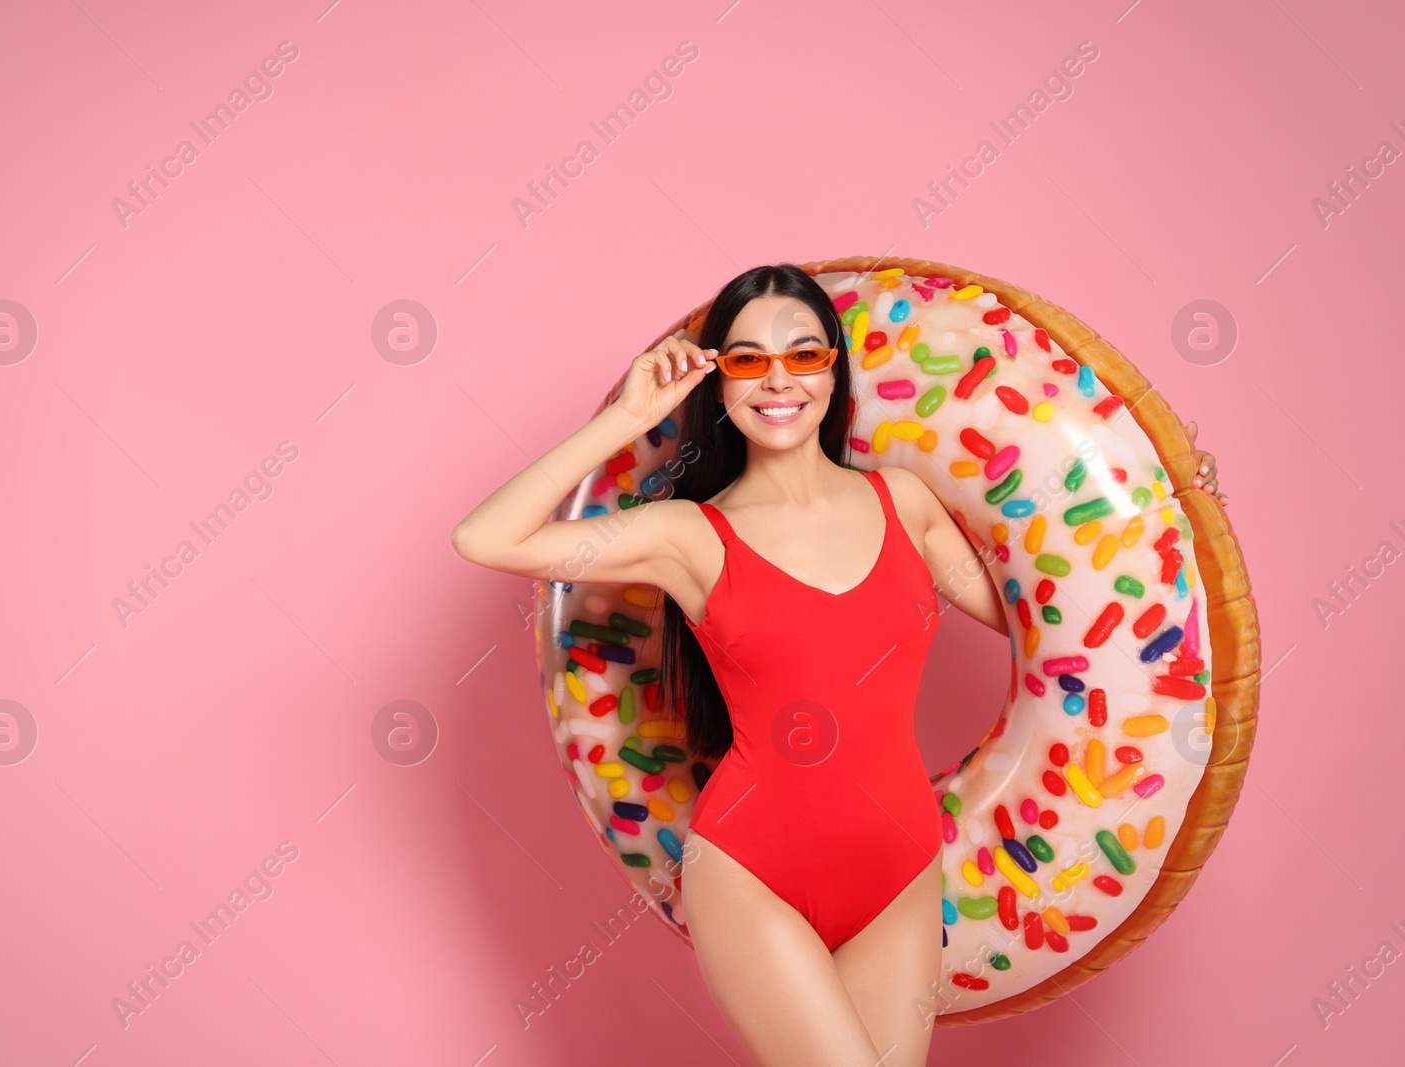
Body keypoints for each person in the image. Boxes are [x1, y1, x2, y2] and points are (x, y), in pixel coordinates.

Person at [452, 264, 1224, 1066]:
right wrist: (632, 415)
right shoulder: (688, 535)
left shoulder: (905, 503)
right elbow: (487, 538)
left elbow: (1049, 615)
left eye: (804, 355)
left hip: (899, 875)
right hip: (753, 872)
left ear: (833, 370)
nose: (778, 379)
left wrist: (1166, 510)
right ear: (719, 383)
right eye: (748, 360)